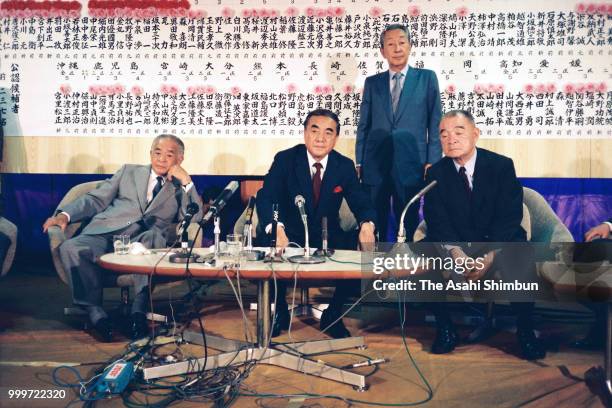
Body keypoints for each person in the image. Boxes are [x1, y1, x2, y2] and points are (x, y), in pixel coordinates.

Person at [43, 135, 203, 342]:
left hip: (144, 239)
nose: (162, 159)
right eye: (157, 152)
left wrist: (187, 182)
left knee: (153, 237)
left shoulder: (180, 188)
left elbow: (196, 217)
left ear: (180, 159)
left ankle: (138, 311)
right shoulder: (129, 171)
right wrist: (64, 215)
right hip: (106, 232)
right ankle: (95, 314)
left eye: (169, 155)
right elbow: (95, 199)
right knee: (71, 247)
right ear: (150, 154)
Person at [422, 110, 546, 360]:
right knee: (424, 253)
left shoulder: (500, 165)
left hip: (498, 241)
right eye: (444, 134)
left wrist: (489, 255)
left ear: (475, 134)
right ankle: (445, 328)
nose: (451, 139)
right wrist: (455, 252)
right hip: (459, 243)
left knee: (519, 255)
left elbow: (510, 216)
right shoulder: (436, 172)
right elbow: (437, 219)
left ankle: (525, 331)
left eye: (459, 132)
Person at [256, 108, 376, 338]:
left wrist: (367, 224)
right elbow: (267, 196)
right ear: (304, 133)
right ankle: (279, 310)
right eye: (315, 130)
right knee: (267, 240)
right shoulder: (286, 159)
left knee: (362, 250)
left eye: (328, 132)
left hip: (327, 234)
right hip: (290, 233)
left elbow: (361, 201)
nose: (321, 138)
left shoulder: (344, 165)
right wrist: (276, 227)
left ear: (336, 138)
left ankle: (334, 312)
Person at [356, 23, 442, 241]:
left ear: (410, 46)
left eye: (402, 42)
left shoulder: (427, 78)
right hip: (376, 164)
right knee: (377, 219)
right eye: (390, 44)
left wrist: (432, 160)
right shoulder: (372, 83)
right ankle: (377, 271)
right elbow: (364, 124)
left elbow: (435, 122)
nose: (396, 48)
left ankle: (409, 271)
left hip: (412, 163)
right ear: (382, 51)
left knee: (409, 219)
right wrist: (360, 161)